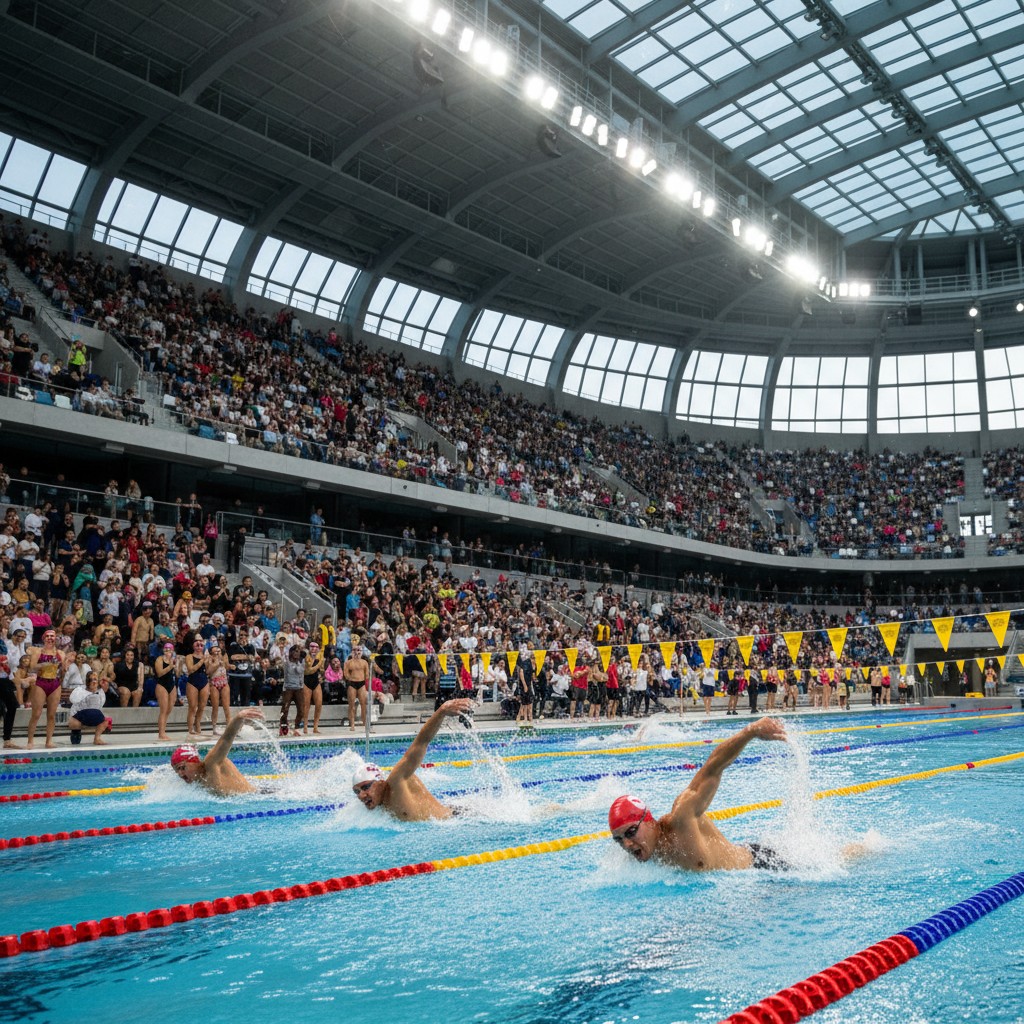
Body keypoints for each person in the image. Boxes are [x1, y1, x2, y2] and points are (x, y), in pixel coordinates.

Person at [608, 717, 794, 871]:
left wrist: (751, 731)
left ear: (649, 821)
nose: (627, 844)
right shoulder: (638, 854)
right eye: (619, 839)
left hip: (762, 866)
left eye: (631, 832)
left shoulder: (681, 818)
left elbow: (712, 768)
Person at [350, 698, 476, 821]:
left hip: (455, 818)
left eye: (366, 787)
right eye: (357, 791)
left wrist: (441, 711)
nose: (361, 795)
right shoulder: (378, 806)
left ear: (381, 782)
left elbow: (421, 743)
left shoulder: (397, 780)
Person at [170, 708, 265, 795]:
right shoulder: (197, 781)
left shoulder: (211, 763)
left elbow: (226, 739)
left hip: (259, 795)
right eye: (176, 770)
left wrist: (238, 718)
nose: (180, 774)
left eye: (182, 768)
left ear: (194, 761)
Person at [68, 668, 111, 746]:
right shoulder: (79, 690)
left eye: (95, 679)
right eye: (91, 679)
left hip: (93, 715)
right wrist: (88, 692)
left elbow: (100, 706)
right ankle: (76, 733)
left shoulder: (100, 692)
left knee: (106, 720)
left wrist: (96, 691)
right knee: (74, 724)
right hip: (79, 716)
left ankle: (97, 738)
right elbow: (73, 700)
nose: (93, 682)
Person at [344, 641, 371, 733]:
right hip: (352, 684)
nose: (356, 652)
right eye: (354, 650)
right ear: (352, 651)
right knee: (351, 706)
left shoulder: (364, 662)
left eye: (358, 650)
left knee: (364, 705)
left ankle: (365, 724)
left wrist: (361, 677)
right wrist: (352, 678)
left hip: (361, 684)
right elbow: (346, 674)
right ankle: (352, 724)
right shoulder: (348, 662)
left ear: (361, 651)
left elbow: (367, 674)